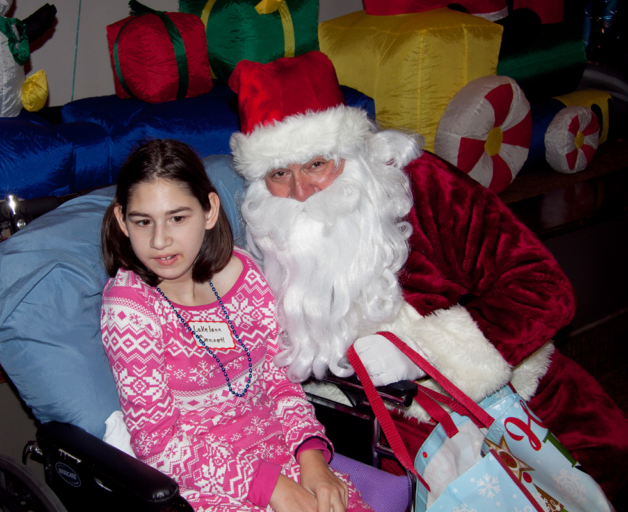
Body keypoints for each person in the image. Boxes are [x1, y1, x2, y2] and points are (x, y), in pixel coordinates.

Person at [227, 50, 628, 501]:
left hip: (501, 406)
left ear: (351, 152)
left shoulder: (419, 186)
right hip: (370, 427)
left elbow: (543, 290)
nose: (300, 192)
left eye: (317, 165)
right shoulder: (264, 228)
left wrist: (422, 353)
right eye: (279, 173)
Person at [100, 139, 374, 512]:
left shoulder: (244, 274)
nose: (160, 240)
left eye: (178, 218)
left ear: (210, 211)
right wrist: (269, 486)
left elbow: (279, 380)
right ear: (122, 221)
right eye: (143, 221)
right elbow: (158, 444)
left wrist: (311, 457)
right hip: (199, 480)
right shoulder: (130, 308)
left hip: (281, 455)